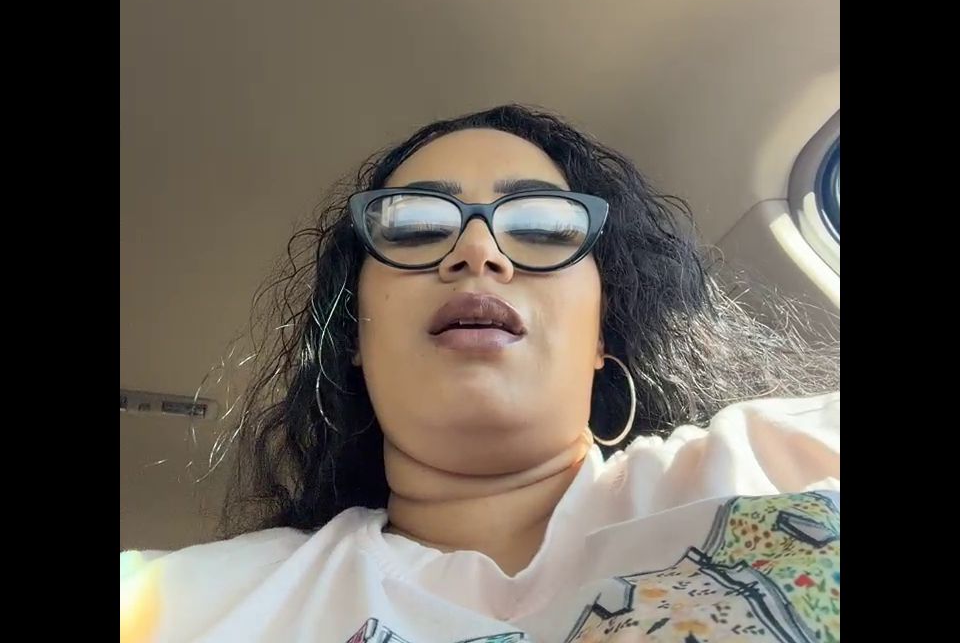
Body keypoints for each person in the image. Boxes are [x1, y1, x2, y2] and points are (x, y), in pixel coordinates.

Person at [120, 104, 839, 643]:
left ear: (602, 331)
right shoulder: (184, 608)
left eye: (544, 227)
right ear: (355, 336)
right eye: (412, 225)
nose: (477, 250)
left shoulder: (786, 457)